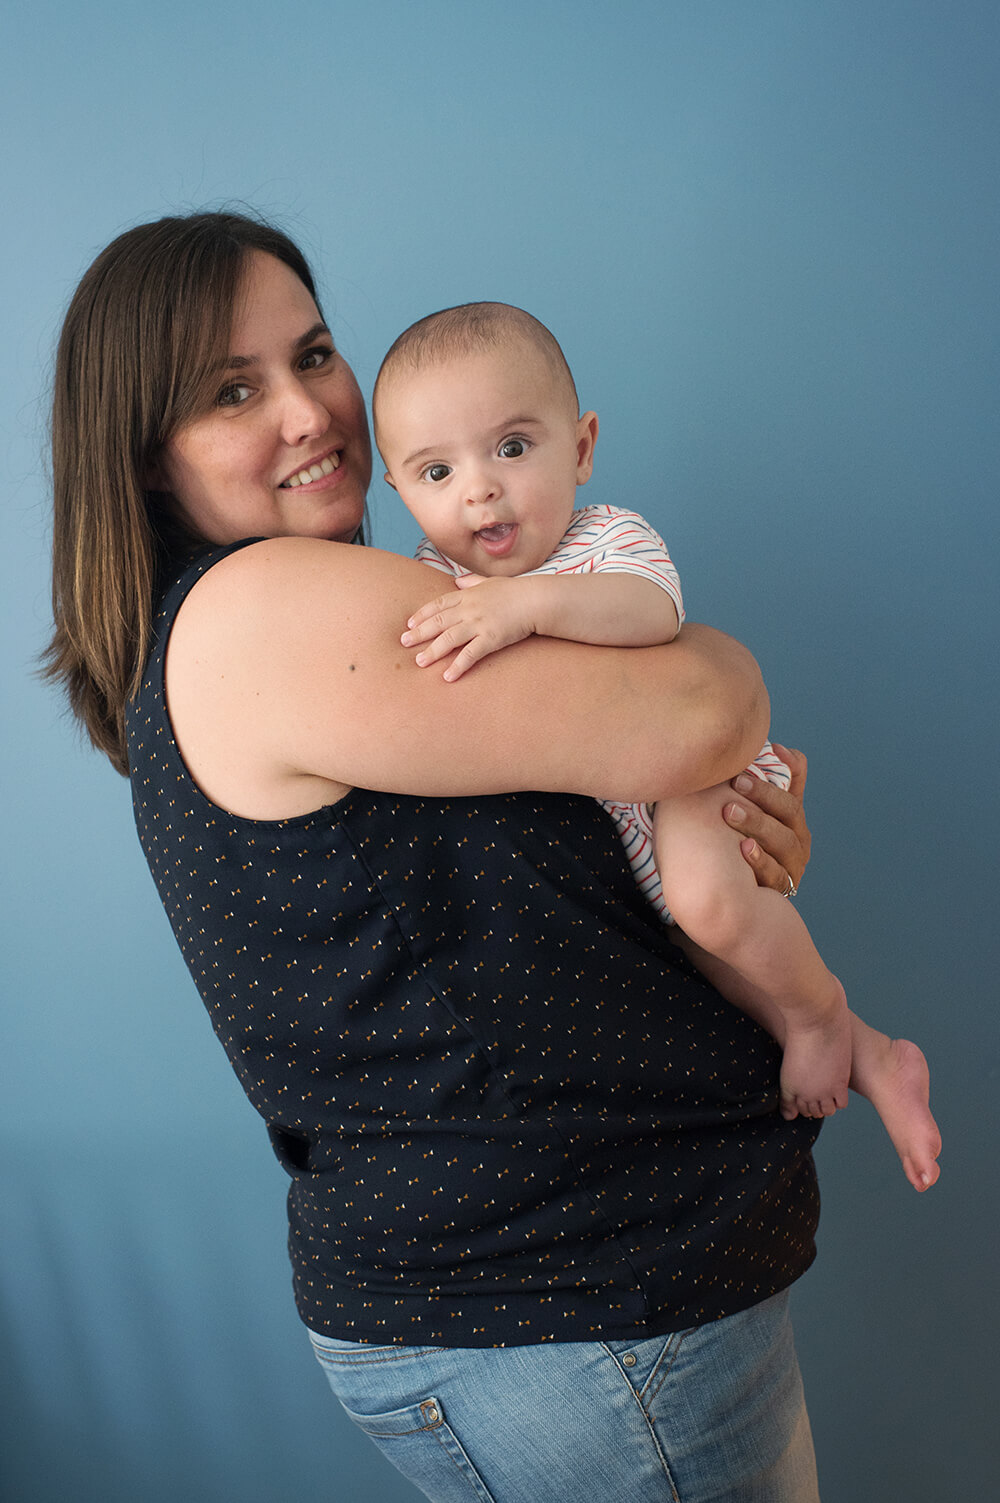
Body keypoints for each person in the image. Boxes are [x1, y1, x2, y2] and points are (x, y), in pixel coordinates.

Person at [47, 208, 850, 1502]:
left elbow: (571, 856)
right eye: (233, 390)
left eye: (313, 355)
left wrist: (719, 836)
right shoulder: (261, 609)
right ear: (145, 458)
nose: (310, 410)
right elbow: (703, 709)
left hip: (581, 1293)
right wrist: (721, 713)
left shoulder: (309, 611)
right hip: (574, 1303)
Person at [372, 301, 940, 1192]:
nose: (479, 488)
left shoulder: (607, 540)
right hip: (621, 825)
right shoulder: (431, 582)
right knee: (705, 954)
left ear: (583, 447)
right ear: (400, 490)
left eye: (513, 448)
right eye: (436, 470)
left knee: (714, 904)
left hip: (682, 779)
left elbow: (655, 616)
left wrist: (523, 606)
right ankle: (874, 1053)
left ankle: (824, 1014)